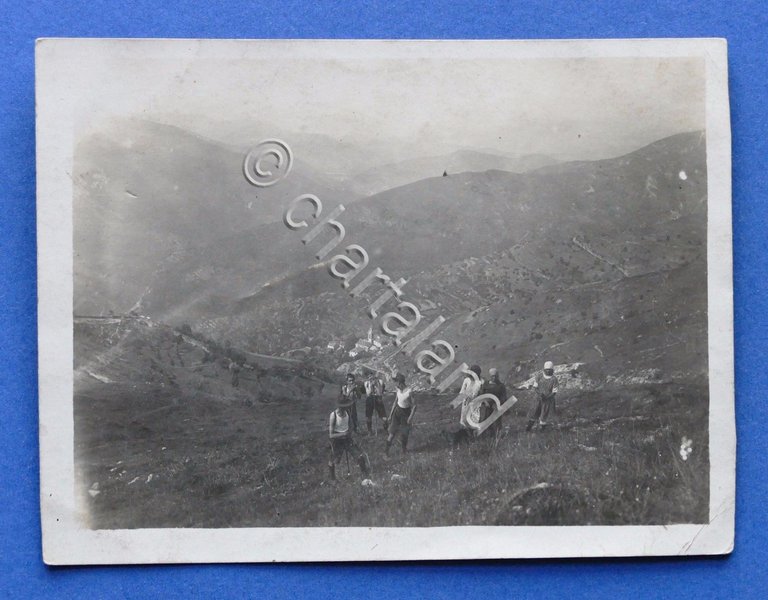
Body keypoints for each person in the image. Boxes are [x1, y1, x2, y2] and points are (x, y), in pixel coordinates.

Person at [328, 397, 370, 480]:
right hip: (337, 440)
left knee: (359, 456)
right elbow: (331, 435)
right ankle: (332, 478)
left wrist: (349, 432)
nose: (348, 407)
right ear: (341, 406)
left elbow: (351, 425)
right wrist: (343, 434)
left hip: (347, 439)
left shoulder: (348, 412)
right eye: (346, 406)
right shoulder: (333, 415)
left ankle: (365, 475)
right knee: (334, 460)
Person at [447, 365, 483, 448]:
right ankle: (464, 440)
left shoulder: (481, 382)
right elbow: (462, 392)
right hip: (466, 403)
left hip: (475, 404)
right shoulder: (467, 380)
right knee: (464, 421)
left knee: (474, 420)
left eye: (475, 372)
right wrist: (456, 402)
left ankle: (473, 440)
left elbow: (481, 393)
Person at [385, 373, 417, 456]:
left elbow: (414, 406)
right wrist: (390, 415)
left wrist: (410, 417)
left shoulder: (410, 391)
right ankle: (386, 452)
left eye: (396, 382)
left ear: (400, 382)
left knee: (404, 434)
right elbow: (395, 402)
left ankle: (404, 450)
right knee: (391, 433)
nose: (395, 384)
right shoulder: (398, 389)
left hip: (406, 414)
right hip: (397, 412)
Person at [526, 360, 559, 431]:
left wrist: (547, 397)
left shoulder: (554, 379)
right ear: (544, 369)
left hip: (548, 400)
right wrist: (540, 394)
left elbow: (554, 392)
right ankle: (528, 429)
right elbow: (535, 387)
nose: (548, 371)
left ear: (552, 370)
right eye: (547, 370)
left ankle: (542, 430)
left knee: (544, 414)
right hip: (538, 399)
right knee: (534, 412)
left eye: (550, 370)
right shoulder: (539, 376)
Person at [480, 367, 506, 439]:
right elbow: (481, 394)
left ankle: (497, 436)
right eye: (492, 376)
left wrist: (498, 404)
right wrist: (485, 402)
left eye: (495, 376)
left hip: (497, 406)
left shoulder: (501, 385)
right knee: (486, 420)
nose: (494, 377)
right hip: (487, 406)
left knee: (497, 422)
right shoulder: (486, 384)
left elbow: (504, 397)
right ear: (490, 376)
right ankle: (485, 436)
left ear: (497, 376)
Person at [364, 370, 387, 435]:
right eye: (369, 377)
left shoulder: (380, 381)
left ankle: (386, 429)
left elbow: (380, 392)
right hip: (369, 399)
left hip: (378, 398)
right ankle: (369, 431)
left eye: (372, 376)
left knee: (383, 416)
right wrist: (371, 386)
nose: (371, 378)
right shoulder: (366, 383)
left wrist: (376, 385)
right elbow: (368, 393)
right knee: (368, 416)